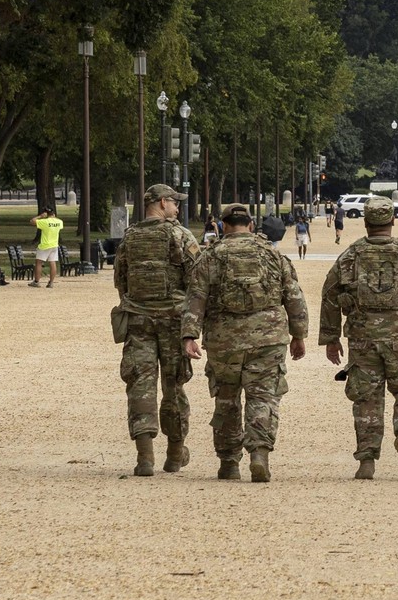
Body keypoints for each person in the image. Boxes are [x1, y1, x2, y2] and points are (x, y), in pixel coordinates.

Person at [319, 196, 398, 480]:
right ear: (391, 222)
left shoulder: (350, 256)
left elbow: (329, 296)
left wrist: (331, 337)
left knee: (366, 399)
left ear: (366, 223)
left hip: (362, 341)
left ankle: (366, 460)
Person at [182, 203, 308, 483]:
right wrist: (298, 335)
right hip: (268, 337)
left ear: (224, 226)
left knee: (226, 400)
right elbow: (294, 297)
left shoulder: (210, 256)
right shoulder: (272, 254)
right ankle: (259, 453)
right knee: (263, 397)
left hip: (224, 339)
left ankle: (228, 462)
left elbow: (196, 297)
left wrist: (189, 335)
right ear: (251, 225)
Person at [112, 184, 200, 477]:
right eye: (175, 203)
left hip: (138, 321)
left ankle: (144, 457)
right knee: (174, 387)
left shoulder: (130, 238)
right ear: (163, 203)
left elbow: (120, 280)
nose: (177, 208)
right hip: (173, 321)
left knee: (140, 386)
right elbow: (197, 279)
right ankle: (175, 454)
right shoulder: (179, 235)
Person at [30, 206, 65, 287]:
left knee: (39, 262)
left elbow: (32, 221)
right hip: (54, 245)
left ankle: (36, 281)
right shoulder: (59, 222)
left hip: (44, 245)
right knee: (52, 263)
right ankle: (51, 282)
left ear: (45, 213)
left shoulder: (44, 222)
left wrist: (40, 216)